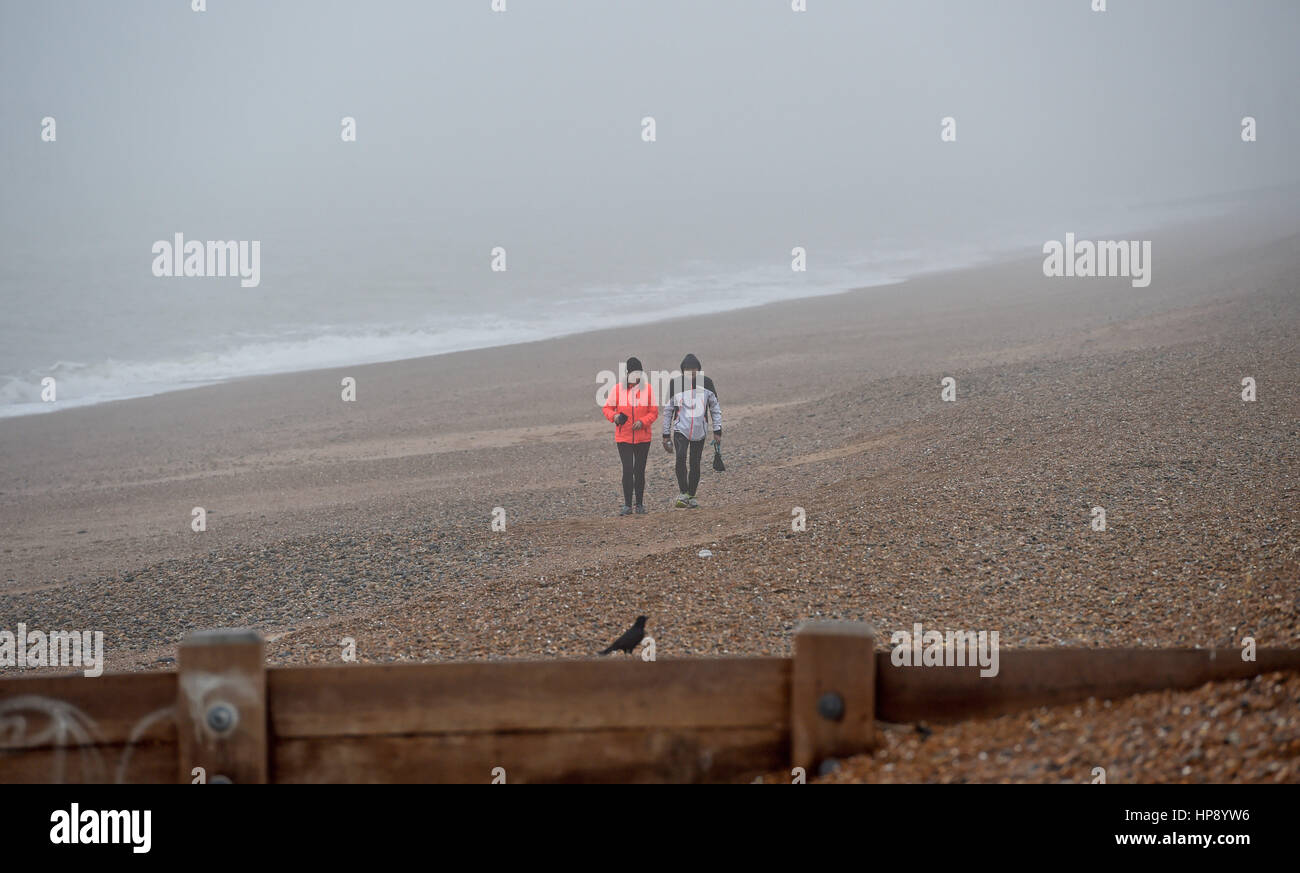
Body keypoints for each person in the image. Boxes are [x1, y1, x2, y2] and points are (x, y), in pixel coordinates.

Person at [661, 353, 722, 508]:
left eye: (694, 369)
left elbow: (715, 409)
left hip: (699, 431)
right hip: (681, 429)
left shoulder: (707, 383)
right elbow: (668, 410)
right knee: (680, 457)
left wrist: (717, 430)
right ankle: (683, 492)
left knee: (695, 463)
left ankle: (691, 495)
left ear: (699, 369)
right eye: (688, 369)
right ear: (683, 371)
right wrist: (666, 434)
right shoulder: (676, 384)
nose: (691, 372)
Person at [602, 357, 658, 515]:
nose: (637, 376)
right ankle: (627, 505)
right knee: (627, 470)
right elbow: (607, 408)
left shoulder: (648, 389)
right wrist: (616, 417)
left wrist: (642, 422)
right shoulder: (618, 389)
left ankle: (639, 504)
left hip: (643, 438)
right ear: (628, 373)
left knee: (639, 471)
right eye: (634, 372)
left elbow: (653, 412)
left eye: (639, 372)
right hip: (624, 437)